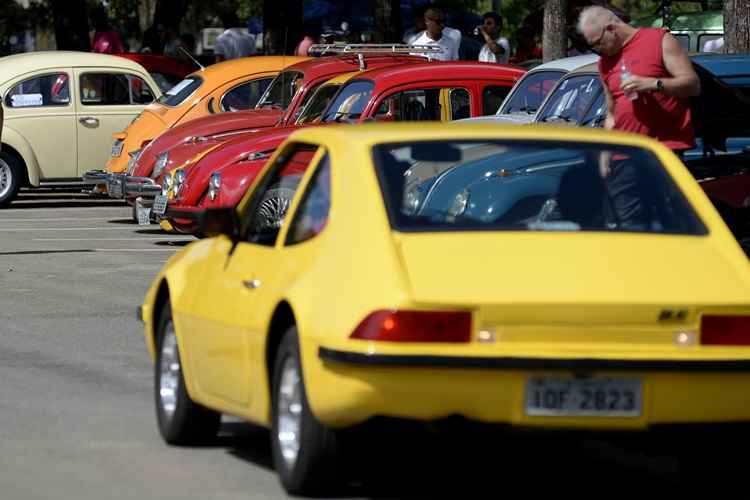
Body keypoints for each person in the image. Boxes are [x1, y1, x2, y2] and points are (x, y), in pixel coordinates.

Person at [577, 6, 700, 155]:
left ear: (611, 29)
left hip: (662, 151)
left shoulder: (659, 39)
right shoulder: (604, 63)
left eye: (598, 42)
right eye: (593, 46)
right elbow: (611, 113)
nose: (597, 49)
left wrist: (654, 83)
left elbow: (693, 85)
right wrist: (605, 154)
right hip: (623, 154)